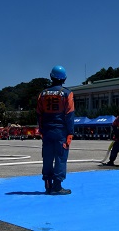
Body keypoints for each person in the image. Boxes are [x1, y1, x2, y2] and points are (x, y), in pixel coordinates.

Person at [36, 65, 75, 195]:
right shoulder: (67, 93)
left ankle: (47, 184)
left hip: (47, 130)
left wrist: (41, 130)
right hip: (60, 131)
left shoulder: (42, 94)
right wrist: (70, 132)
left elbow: (39, 114)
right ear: (64, 79)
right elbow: (69, 115)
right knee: (60, 157)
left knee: (47, 157)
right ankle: (57, 186)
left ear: (51, 76)